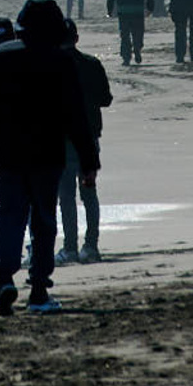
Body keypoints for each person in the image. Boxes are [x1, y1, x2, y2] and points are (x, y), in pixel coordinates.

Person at [0, 0, 97, 314]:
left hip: (7, 153)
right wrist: (89, 161)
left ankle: (5, 279)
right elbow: (76, 115)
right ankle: (38, 290)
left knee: (8, 215)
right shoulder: (60, 61)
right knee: (43, 220)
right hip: (47, 154)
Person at [57, 19, 112, 263]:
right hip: (89, 138)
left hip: (62, 139)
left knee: (66, 195)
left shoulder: (51, 67)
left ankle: (70, 247)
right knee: (89, 192)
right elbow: (106, 99)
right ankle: (91, 246)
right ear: (76, 39)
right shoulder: (91, 63)